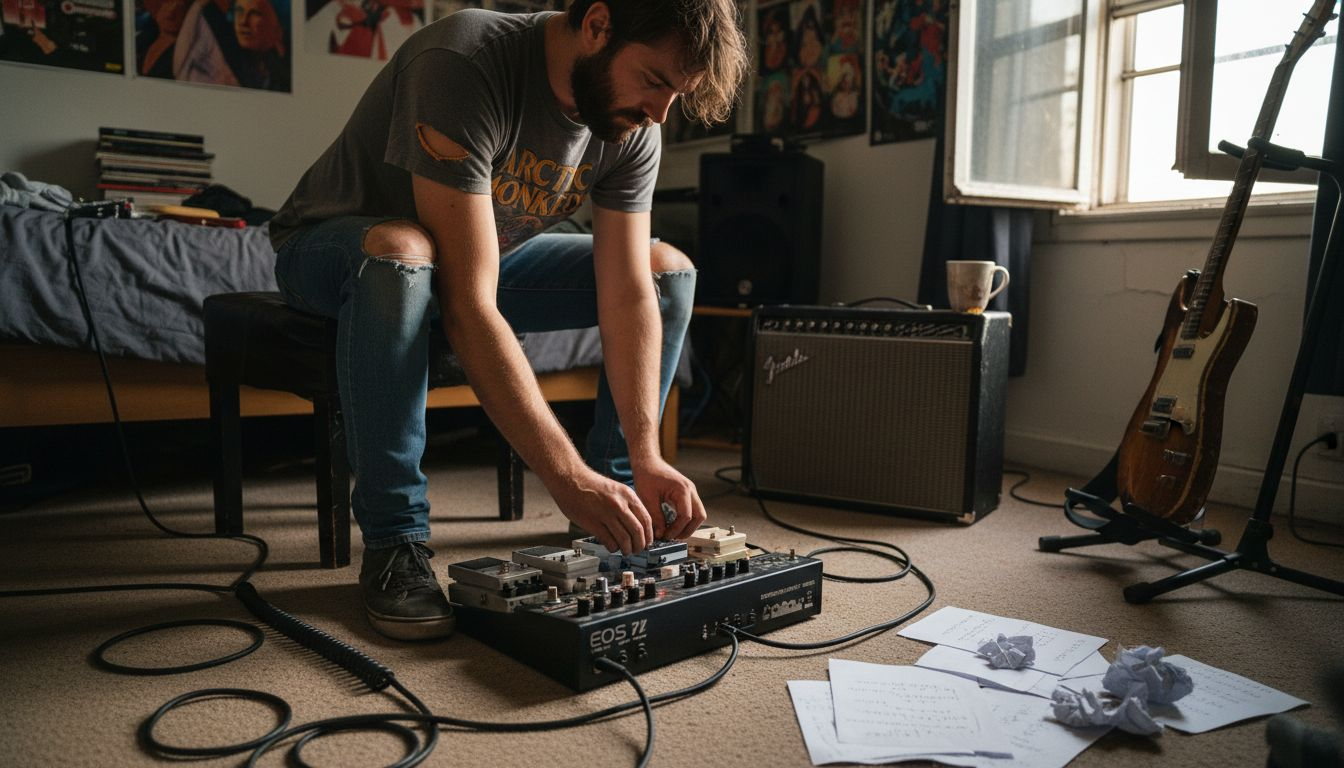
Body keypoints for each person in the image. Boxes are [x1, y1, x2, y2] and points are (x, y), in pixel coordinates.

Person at [267, 0, 747, 641]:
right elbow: (469, 306)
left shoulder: (634, 127)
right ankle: (394, 542)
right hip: (337, 248)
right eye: (656, 81)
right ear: (598, 25)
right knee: (405, 252)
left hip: (475, 256)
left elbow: (628, 292)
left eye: (675, 95)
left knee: (666, 271)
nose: (660, 114)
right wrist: (565, 476)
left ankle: (617, 501)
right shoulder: (464, 61)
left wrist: (646, 451)